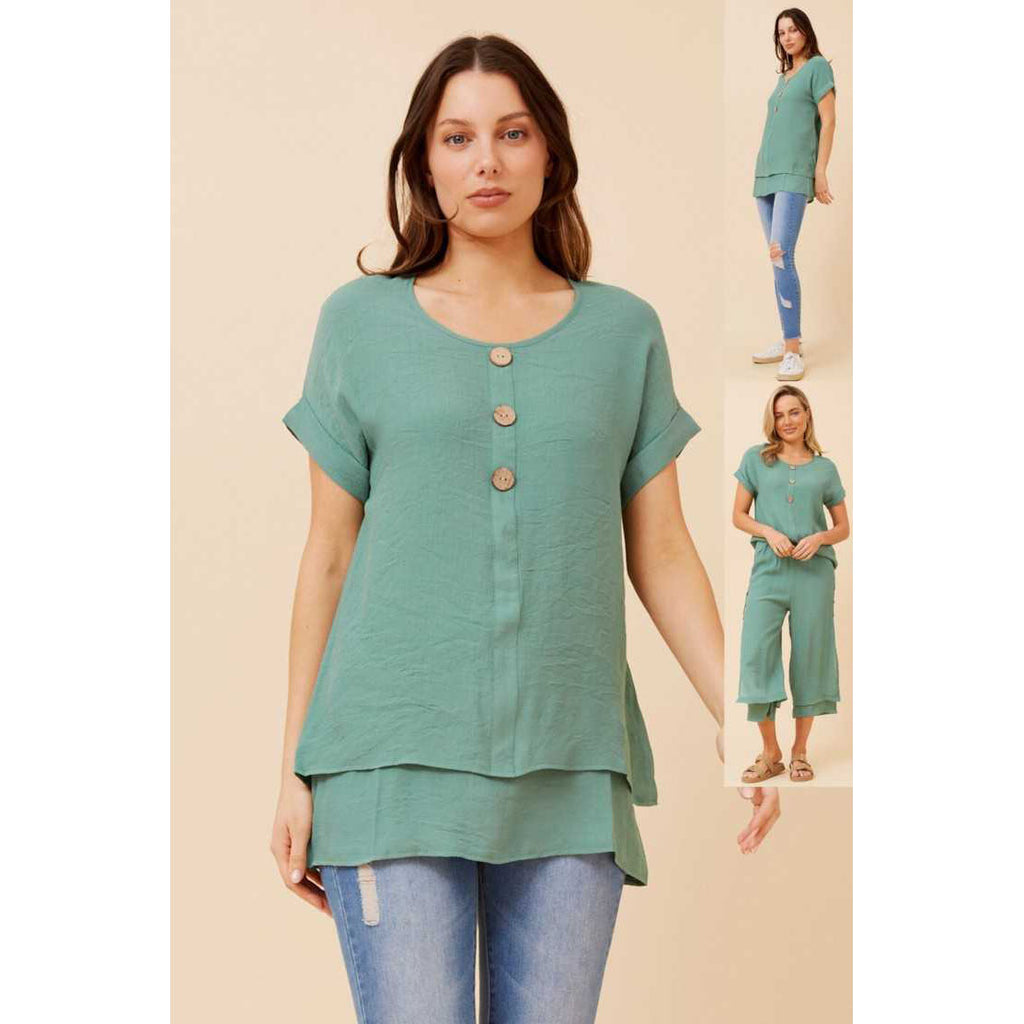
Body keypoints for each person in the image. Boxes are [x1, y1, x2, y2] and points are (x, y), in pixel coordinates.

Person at [271, 34, 780, 1023]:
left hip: (570, 763)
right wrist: (295, 772)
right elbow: (327, 555)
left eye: (512, 133)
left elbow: (663, 548)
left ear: (551, 152)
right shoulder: (359, 323)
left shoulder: (623, 332)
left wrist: (740, 714)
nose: (487, 162)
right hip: (385, 766)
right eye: (456, 138)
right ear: (423, 163)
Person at [731, 385, 850, 784]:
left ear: (807, 414)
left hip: (814, 574)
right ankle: (771, 752)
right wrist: (768, 531)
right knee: (756, 653)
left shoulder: (825, 469)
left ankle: (800, 751)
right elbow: (738, 515)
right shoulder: (756, 459)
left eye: (794, 412)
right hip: (769, 569)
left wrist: (819, 538)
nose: (787, 421)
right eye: (780, 415)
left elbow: (843, 527)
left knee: (811, 656)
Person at [749, 8, 837, 381]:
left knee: (782, 255)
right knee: (776, 261)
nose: (787, 37)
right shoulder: (783, 77)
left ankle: (792, 350)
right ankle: (789, 337)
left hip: (794, 173)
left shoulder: (817, 68)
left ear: (805, 32)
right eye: (781, 32)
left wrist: (820, 171)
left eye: (793, 30)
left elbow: (829, 121)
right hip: (765, 174)